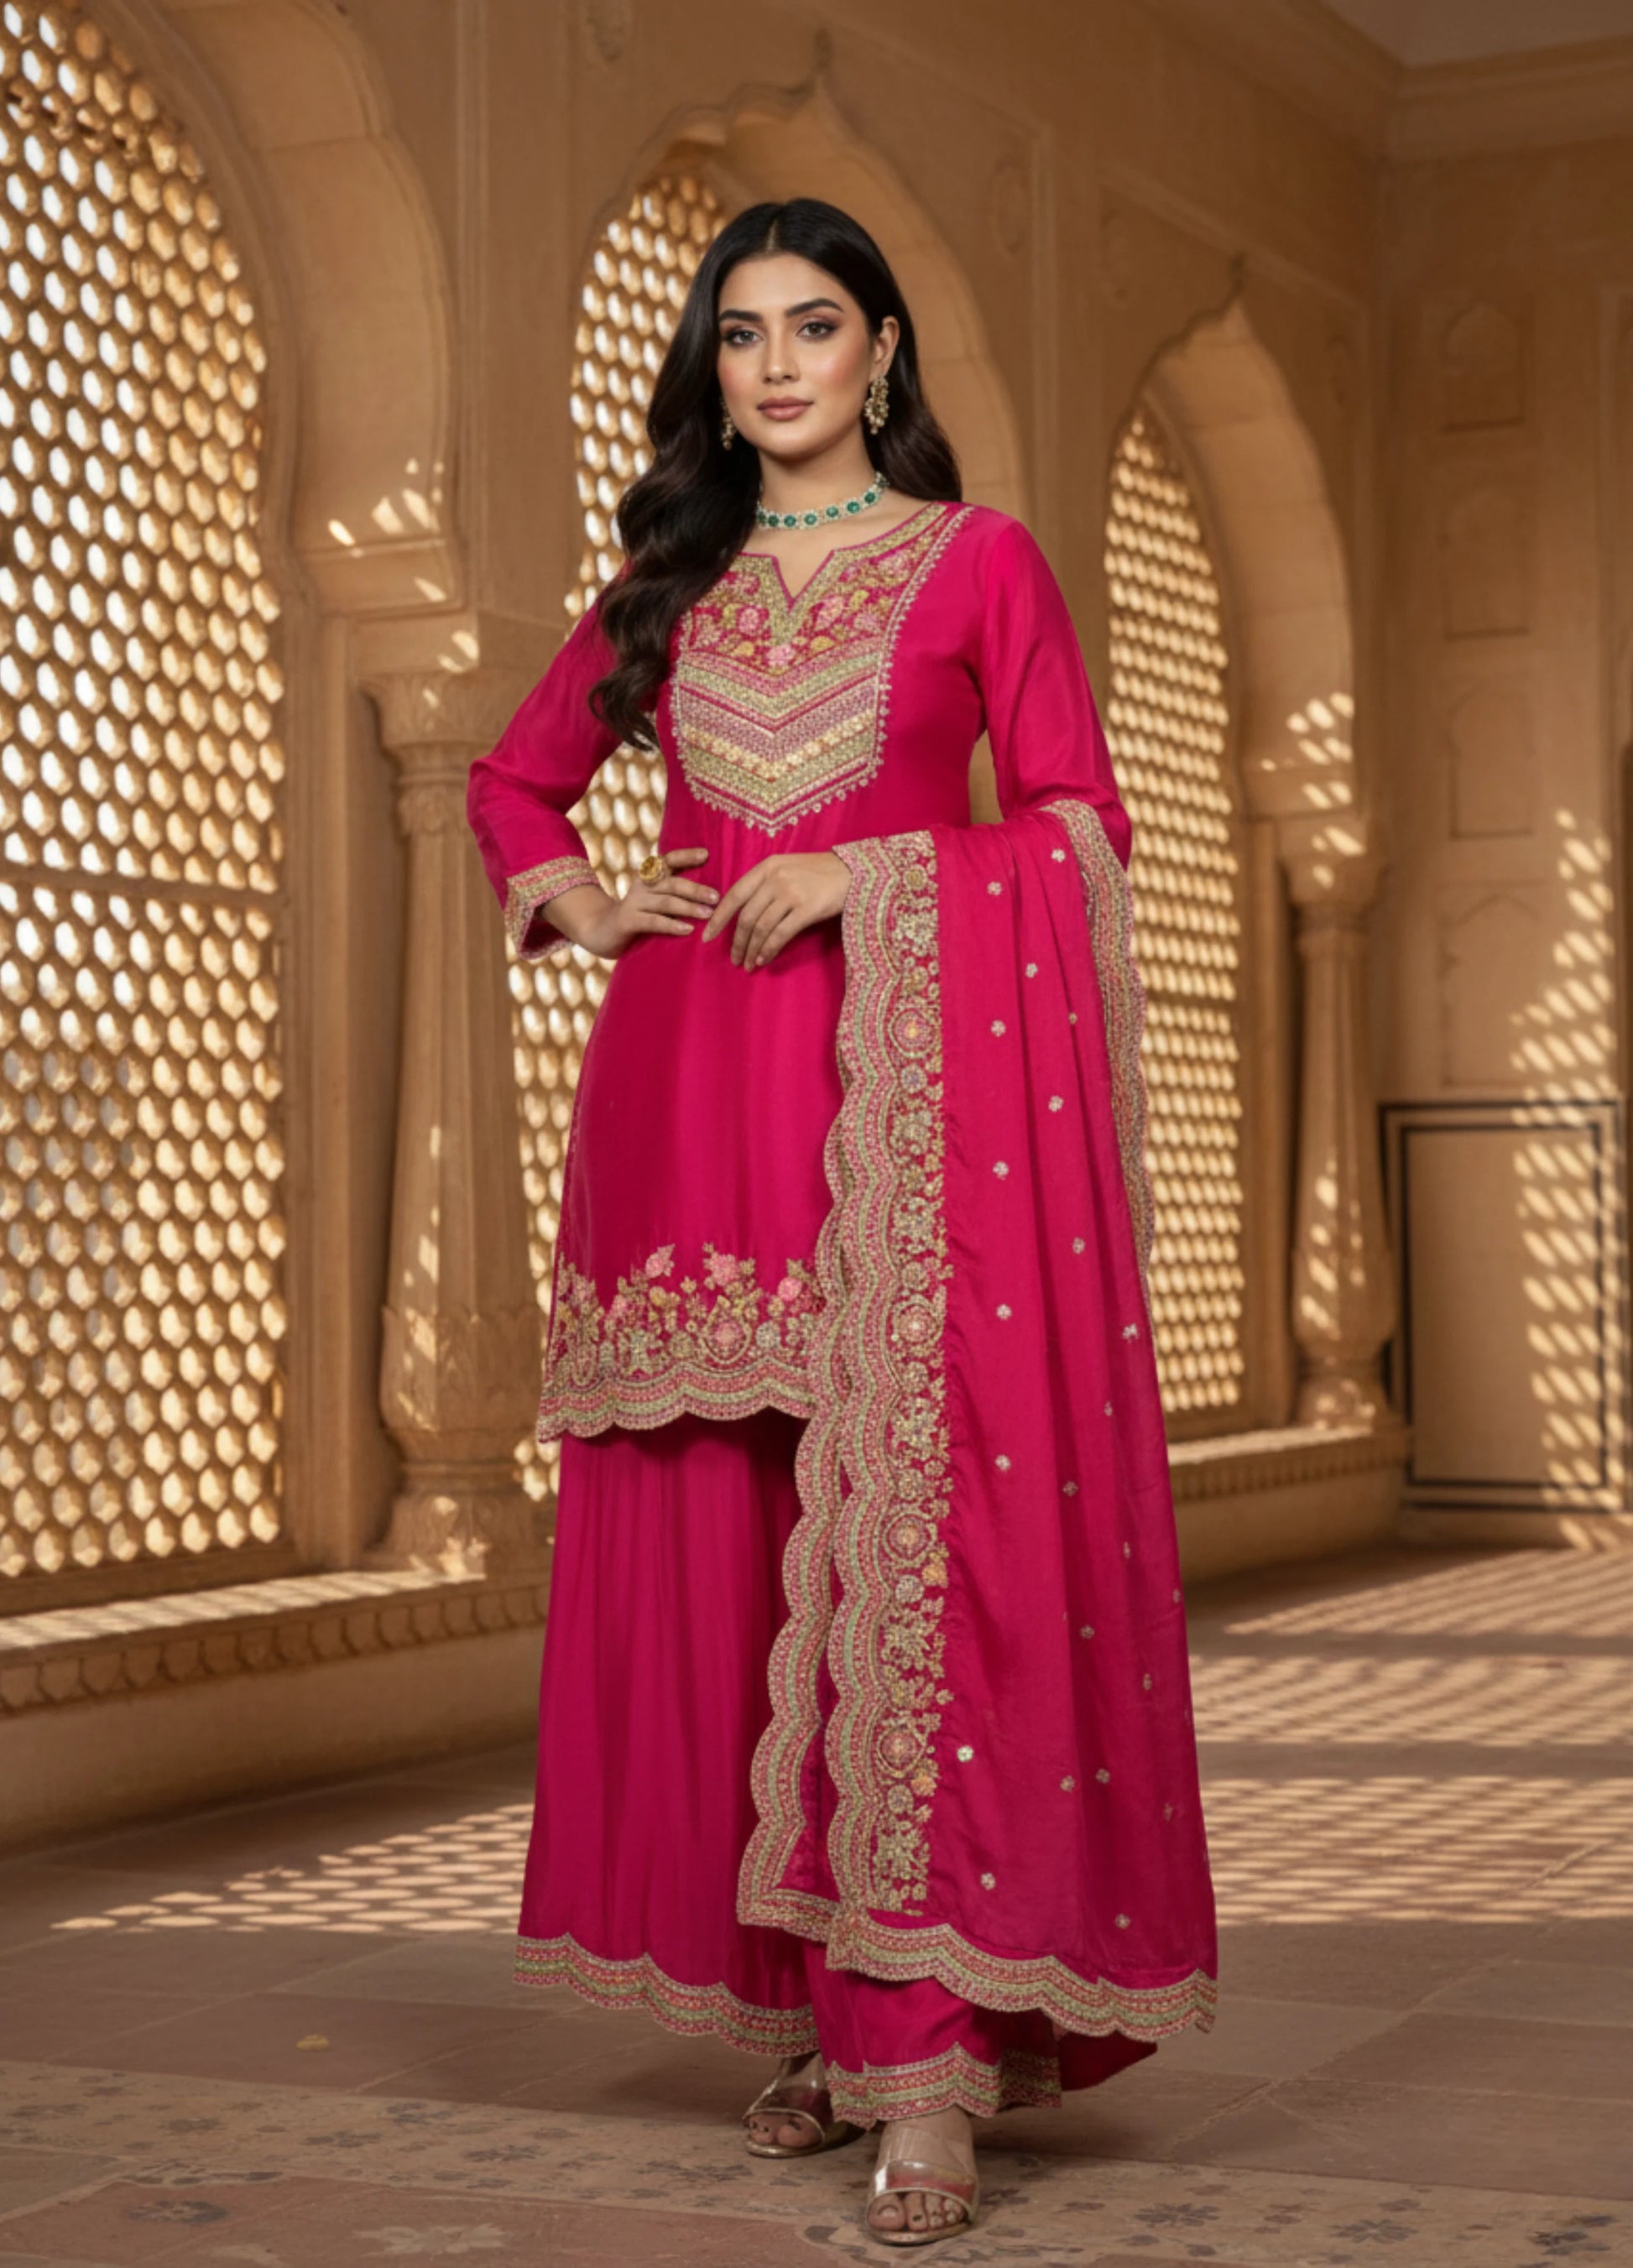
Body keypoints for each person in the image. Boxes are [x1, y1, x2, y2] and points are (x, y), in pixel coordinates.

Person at [467, 195, 1217, 2248]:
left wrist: (888, 880)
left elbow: (1074, 831)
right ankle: (814, 2010)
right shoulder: (672, 583)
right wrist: (593, 898)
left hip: (910, 1126)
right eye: (741, 334)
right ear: (713, 369)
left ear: (882, 354)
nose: (777, 363)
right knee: (738, 1563)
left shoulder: (980, 566)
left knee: (916, 1553)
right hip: (684, 1115)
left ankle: (934, 2064)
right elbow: (516, 787)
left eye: (816, 326)